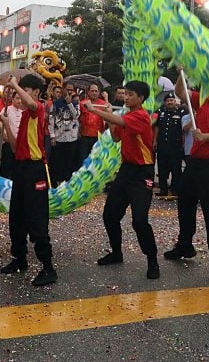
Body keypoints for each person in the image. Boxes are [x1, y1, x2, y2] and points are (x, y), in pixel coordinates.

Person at [83, 81, 161, 279]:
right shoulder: (126, 116)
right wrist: (110, 115)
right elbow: (116, 137)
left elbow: (121, 123)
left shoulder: (141, 116)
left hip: (142, 173)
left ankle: (153, 261)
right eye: (125, 94)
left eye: (131, 94)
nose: (126, 97)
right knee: (110, 215)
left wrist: (95, 109)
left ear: (141, 98)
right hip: (126, 170)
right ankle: (116, 253)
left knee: (139, 221)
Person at [165, 74, 209, 279]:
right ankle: (185, 246)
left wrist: (204, 137)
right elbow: (180, 92)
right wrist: (182, 74)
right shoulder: (202, 100)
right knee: (185, 206)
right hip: (194, 163)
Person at [0, 74, 57, 287]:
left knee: (37, 218)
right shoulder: (24, 116)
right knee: (17, 216)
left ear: (37, 93)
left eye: (25, 90)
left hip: (35, 171)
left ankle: (48, 267)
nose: (19, 95)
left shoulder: (37, 109)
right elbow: (14, 148)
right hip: (21, 169)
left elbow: (31, 103)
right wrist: (5, 125)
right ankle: (19, 258)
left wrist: (14, 84)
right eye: (19, 90)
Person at [155, 92, 187, 199]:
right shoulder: (161, 112)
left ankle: (175, 189)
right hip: (162, 144)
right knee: (162, 167)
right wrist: (155, 141)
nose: (170, 102)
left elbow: (184, 130)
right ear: (165, 102)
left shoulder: (180, 113)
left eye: (172, 100)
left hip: (175, 146)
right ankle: (163, 189)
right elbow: (157, 127)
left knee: (175, 169)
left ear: (175, 101)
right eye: (168, 101)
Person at [48, 85, 81, 185]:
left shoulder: (75, 103)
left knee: (70, 161)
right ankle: (58, 182)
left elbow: (76, 116)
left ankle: (68, 182)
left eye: (71, 90)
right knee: (58, 162)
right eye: (68, 90)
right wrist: (52, 136)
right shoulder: (56, 103)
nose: (70, 92)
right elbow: (51, 120)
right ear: (63, 90)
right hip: (59, 138)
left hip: (72, 138)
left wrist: (69, 103)